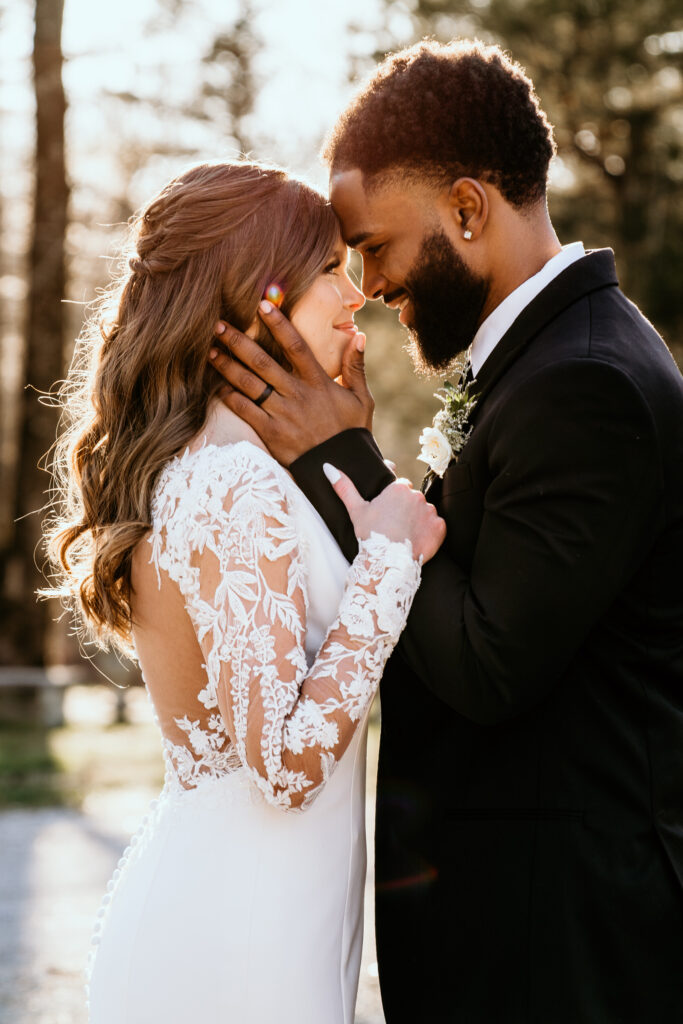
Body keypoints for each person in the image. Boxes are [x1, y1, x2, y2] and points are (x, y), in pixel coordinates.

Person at [208, 41, 683, 1023]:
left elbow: (484, 662)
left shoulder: (584, 382)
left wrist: (340, 455)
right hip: (512, 928)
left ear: (467, 209)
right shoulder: (535, 364)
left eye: (373, 245)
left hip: (558, 947)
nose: (367, 283)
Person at [44, 160, 446, 1023]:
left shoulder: (221, 471)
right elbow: (286, 767)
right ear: (256, 300)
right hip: (239, 939)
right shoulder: (231, 486)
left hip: (247, 908)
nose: (356, 297)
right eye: (330, 271)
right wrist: (387, 563)